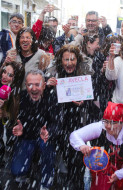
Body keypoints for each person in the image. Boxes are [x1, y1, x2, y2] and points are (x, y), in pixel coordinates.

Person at [45, 44, 96, 189]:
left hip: (79, 118)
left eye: (72, 59)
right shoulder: (53, 73)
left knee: (77, 153)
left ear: (77, 60)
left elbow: (91, 94)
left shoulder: (84, 72)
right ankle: (65, 177)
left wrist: (83, 100)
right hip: (60, 118)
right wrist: (49, 86)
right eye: (66, 59)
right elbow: (47, 99)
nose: (69, 63)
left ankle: (77, 181)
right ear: (60, 61)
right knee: (64, 150)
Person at [70, 102, 123, 190]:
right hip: (110, 164)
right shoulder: (102, 126)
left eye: (113, 122)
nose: (108, 126)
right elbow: (75, 135)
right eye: (106, 121)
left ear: (122, 122)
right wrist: (81, 146)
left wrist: (120, 173)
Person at [10, 70, 58, 189]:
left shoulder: (52, 97)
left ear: (44, 85)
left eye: (37, 84)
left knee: (46, 145)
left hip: (45, 138)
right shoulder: (20, 97)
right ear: (26, 85)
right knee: (17, 171)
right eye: (30, 84)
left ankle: (46, 181)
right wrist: (17, 129)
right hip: (26, 137)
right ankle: (26, 170)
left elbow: (57, 122)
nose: (33, 88)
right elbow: (11, 121)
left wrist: (49, 132)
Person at [82, 35, 112, 111]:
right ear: (89, 43)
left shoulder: (99, 56)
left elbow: (99, 80)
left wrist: (103, 70)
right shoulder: (79, 58)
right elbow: (90, 78)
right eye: (97, 43)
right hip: (84, 97)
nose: (98, 46)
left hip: (97, 96)